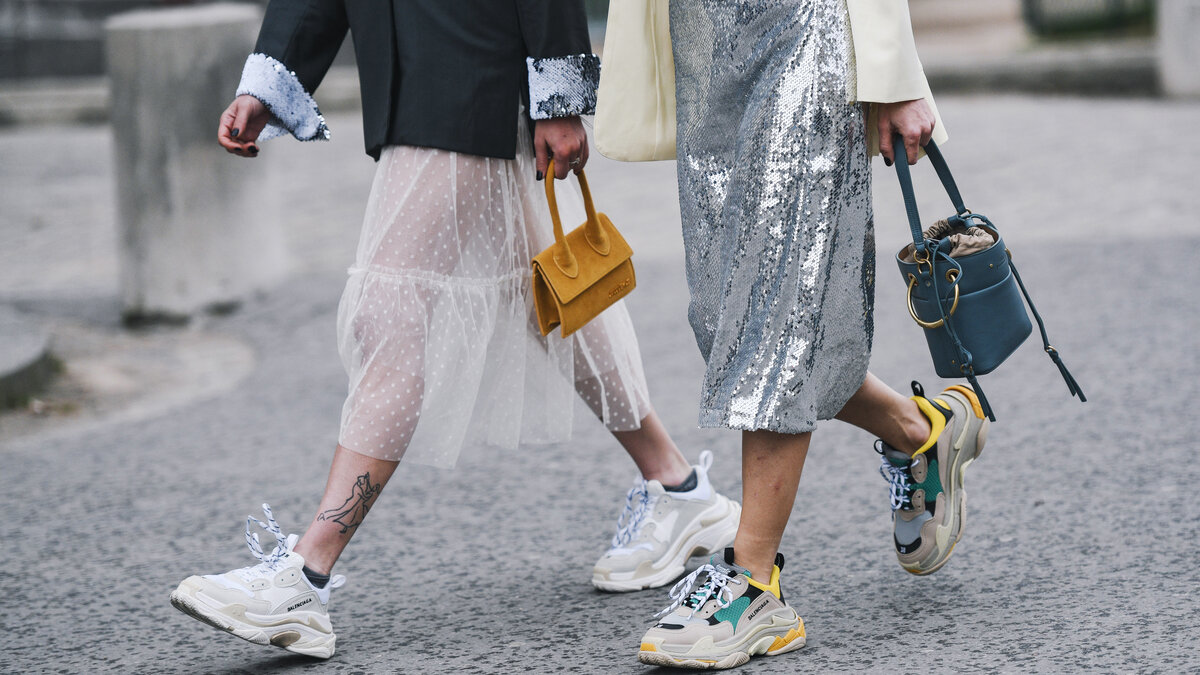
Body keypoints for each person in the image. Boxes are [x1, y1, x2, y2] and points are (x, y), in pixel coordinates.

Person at [168, 1, 741, 660]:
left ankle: (306, 572)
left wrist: (556, 97)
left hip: (472, 66)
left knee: (389, 311)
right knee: (550, 293)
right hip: (420, 75)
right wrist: (269, 80)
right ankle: (678, 487)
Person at [632, 1, 991, 669]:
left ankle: (753, 583)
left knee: (776, 310)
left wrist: (897, 72)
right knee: (732, 321)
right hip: (705, 39)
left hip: (802, 28)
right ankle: (921, 432)